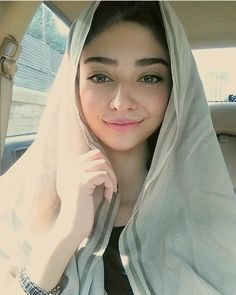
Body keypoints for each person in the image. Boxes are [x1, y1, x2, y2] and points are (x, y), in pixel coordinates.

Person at [1, 1, 236, 294]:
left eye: (149, 77)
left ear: (174, 90)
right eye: (100, 76)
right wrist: (64, 233)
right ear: (73, 84)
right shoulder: (15, 201)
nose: (122, 101)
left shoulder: (214, 213)